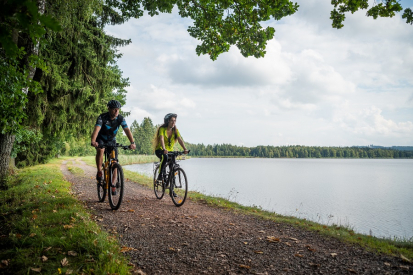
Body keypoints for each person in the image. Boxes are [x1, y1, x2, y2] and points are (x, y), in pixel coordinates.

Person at [90, 100, 136, 194]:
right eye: (114, 109)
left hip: (112, 140)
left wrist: (132, 142)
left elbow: (127, 130)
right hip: (101, 139)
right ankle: (99, 171)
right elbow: (97, 129)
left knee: (114, 161)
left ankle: (113, 184)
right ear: (109, 109)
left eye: (118, 109)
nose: (116, 111)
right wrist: (93, 141)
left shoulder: (120, 118)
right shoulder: (102, 117)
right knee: (100, 150)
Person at [154, 113, 188, 184]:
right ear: (167, 121)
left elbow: (180, 139)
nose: (173, 122)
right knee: (165, 158)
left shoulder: (175, 131)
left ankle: (171, 189)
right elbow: (161, 139)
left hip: (170, 151)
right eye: (172, 120)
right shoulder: (162, 129)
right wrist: (164, 149)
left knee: (172, 167)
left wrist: (185, 149)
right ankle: (160, 175)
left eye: (175, 121)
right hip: (160, 150)